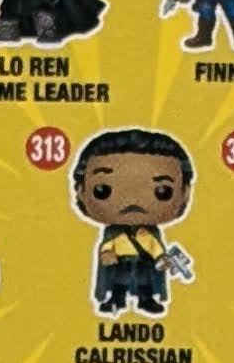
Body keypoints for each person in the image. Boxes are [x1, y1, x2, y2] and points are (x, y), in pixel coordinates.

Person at [71, 127, 197, 318]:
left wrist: (162, 258)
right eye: (103, 189)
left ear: (184, 193)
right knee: (119, 284)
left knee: (145, 284)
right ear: (81, 191)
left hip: (144, 263)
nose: (133, 200)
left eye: (162, 191)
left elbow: (156, 248)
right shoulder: (113, 234)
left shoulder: (148, 235)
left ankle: (146, 300)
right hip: (120, 263)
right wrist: (107, 254)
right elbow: (107, 246)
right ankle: (116, 299)